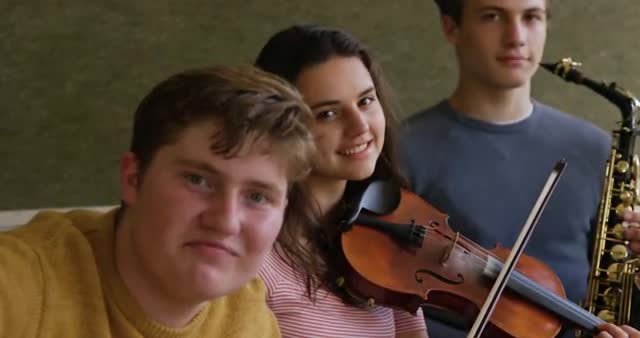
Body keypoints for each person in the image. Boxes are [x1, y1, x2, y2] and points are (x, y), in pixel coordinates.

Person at [0, 65, 317, 337]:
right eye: (198, 180)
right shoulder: (22, 283)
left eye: (258, 197)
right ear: (133, 179)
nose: (226, 220)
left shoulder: (249, 321)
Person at [400, 0, 640, 337]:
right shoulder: (401, 148)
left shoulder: (596, 148)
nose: (516, 37)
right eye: (492, 16)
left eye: (531, 17)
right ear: (451, 27)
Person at [254, 24, 429, 338]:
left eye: (365, 101)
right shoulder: (255, 262)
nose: (360, 126)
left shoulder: (386, 240)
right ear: (281, 126)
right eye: (328, 114)